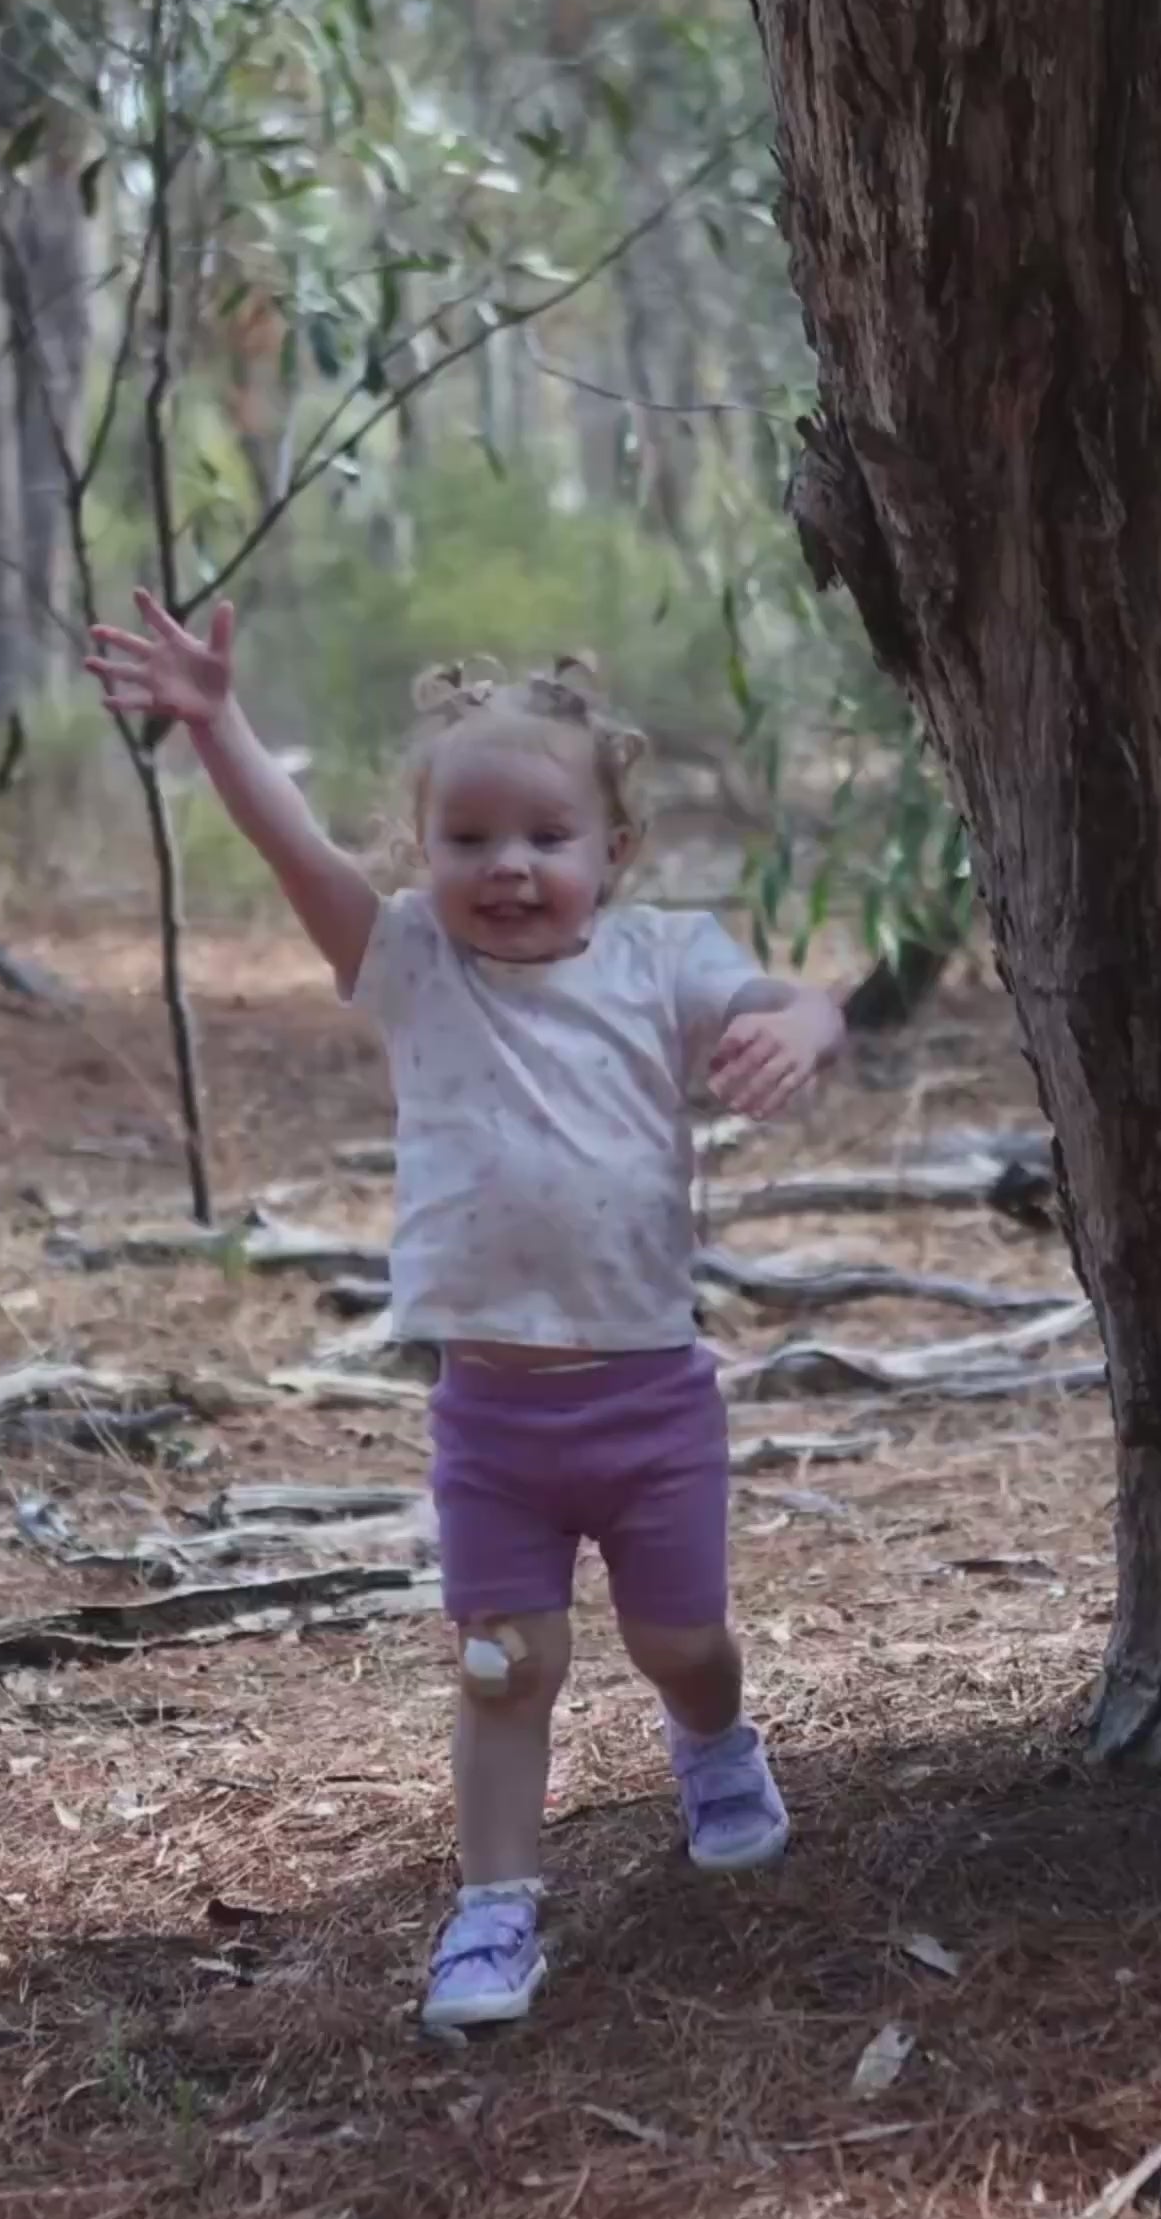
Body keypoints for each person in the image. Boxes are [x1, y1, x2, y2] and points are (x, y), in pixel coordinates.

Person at [85, 591, 845, 2032]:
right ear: (424, 856)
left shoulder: (660, 957)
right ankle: (495, 1910)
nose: (507, 868)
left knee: (679, 1639)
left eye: (546, 840)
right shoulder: (413, 968)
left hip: (651, 1400)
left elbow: (789, 993)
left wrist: (804, 1021)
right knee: (510, 1667)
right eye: (469, 841)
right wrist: (212, 718)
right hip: (493, 1415)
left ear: (612, 851)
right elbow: (292, 850)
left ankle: (713, 1739)